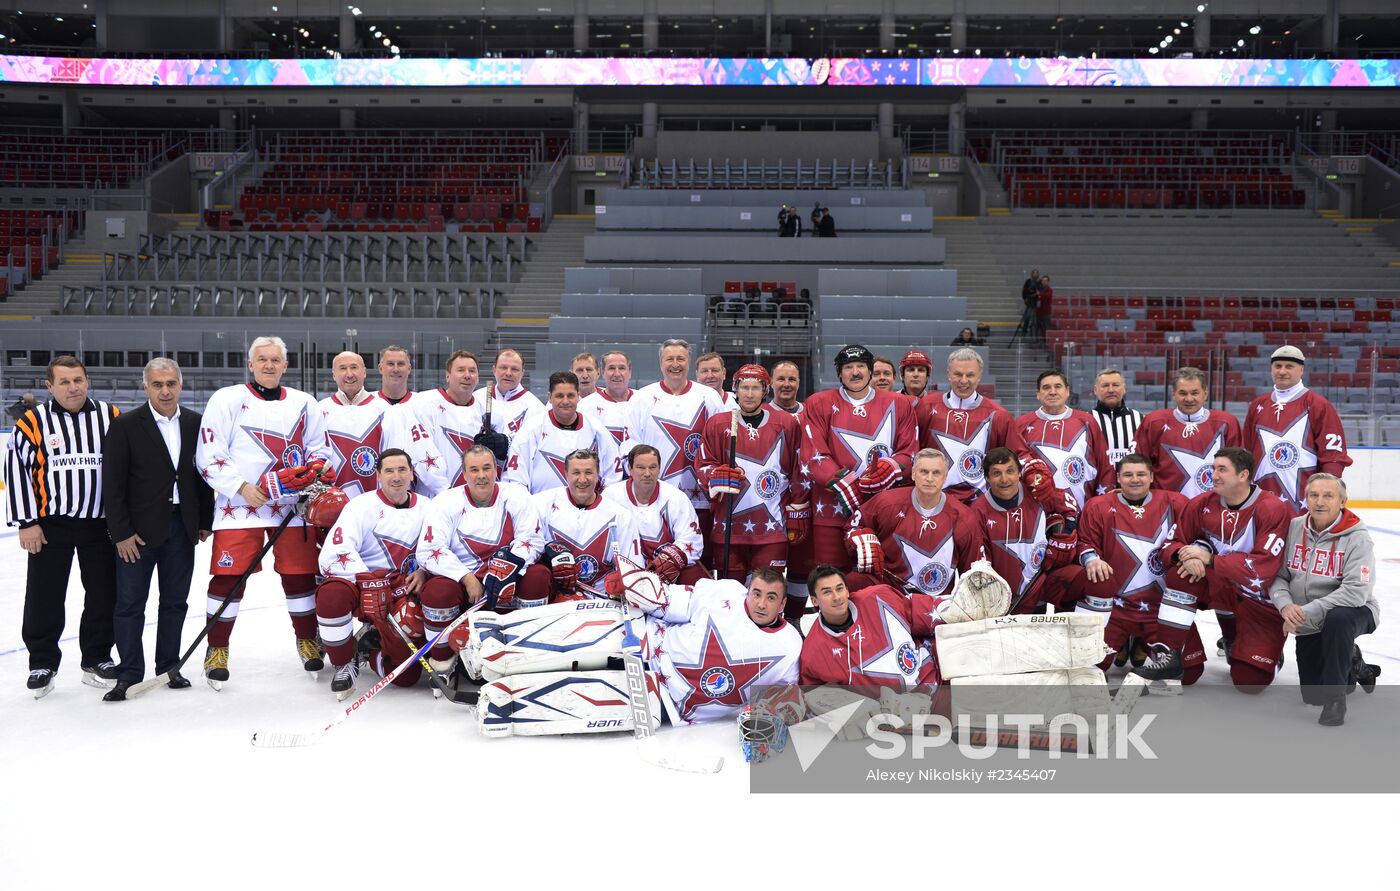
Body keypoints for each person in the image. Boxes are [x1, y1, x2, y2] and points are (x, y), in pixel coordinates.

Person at [196, 336, 332, 686]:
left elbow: (321, 450)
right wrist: (243, 487)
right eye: (262, 359)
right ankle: (217, 647)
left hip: (291, 507)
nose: (269, 365)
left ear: (285, 366)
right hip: (239, 507)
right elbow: (209, 452)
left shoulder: (304, 403)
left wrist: (312, 473)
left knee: (299, 576)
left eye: (276, 360)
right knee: (229, 579)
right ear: (250, 363)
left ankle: (307, 640)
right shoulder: (227, 399)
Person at [5, 356, 122, 697]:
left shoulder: (110, 417)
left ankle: (97, 657)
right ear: (49, 386)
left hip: (99, 524)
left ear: (87, 381)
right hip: (51, 525)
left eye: (78, 380)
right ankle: (42, 661)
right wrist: (27, 523)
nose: (73, 387)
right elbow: (17, 472)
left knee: (103, 593)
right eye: (65, 381)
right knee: (45, 595)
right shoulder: (32, 422)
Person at [1132, 447, 1295, 690]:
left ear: (1243, 475)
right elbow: (1169, 546)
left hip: (1258, 600)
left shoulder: (1272, 509)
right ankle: (1170, 655)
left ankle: (1251, 647)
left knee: (1250, 682)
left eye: (1222, 470)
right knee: (1180, 574)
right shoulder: (1202, 504)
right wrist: (1184, 556)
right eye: (1213, 468)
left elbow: (1261, 570)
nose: (1214, 475)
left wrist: (1208, 559)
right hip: (1220, 584)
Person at [101, 358, 214, 701]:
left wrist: (204, 521)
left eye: (171, 384)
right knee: (130, 604)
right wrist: (120, 532)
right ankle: (129, 673)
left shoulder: (196, 423)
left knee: (175, 602)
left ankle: (168, 666)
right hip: (137, 533)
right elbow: (113, 484)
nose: (165, 390)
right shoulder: (126, 426)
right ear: (145, 387)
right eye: (157, 384)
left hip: (182, 528)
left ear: (181, 385)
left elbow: (202, 475)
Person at [314, 448, 437, 700]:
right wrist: (369, 581)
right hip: (366, 591)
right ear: (379, 475)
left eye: (402, 470)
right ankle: (343, 662)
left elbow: (441, 548)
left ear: (412, 474)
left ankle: (370, 647)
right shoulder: (360, 506)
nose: (396, 477)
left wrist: (425, 571)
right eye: (389, 471)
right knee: (331, 594)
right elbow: (333, 554)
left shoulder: (428, 507)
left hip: (405, 594)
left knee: (406, 677)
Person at [797, 344, 919, 597]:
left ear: (870, 371)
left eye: (861, 366)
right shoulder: (818, 403)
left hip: (882, 511)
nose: (855, 372)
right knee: (831, 580)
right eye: (848, 367)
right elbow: (812, 454)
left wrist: (892, 467)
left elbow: (910, 452)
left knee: (880, 576)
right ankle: (834, 634)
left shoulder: (900, 404)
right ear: (839, 373)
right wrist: (844, 483)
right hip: (831, 509)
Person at [614, 563, 801, 724]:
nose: (761, 604)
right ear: (748, 592)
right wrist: (636, 587)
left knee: (597, 694)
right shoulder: (726, 592)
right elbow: (673, 601)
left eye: (771, 598)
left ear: (782, 604)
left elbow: (787, 697)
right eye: (756, 594)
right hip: (647, 640)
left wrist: (769, 716)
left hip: (670, 701)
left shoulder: (789, 648)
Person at [1074, 454, 1202, 680]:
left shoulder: (1176, 502)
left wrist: (1195, 554)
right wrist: (1092, 559)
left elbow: (1198, 532)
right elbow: (1085, 542)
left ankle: (1142, 644)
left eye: (1141, 474)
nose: (1135, 479)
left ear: (1152, 476)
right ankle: (1123, 641)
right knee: (1086, 670)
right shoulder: (1098, 506)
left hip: (1158, 610)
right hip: (1116, 609)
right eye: (1128, 475)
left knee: (1190, 673)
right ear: (1118, 479)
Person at [1269, 474, 1381, 726]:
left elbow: (1355, 592)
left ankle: (1335, 700)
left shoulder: (1357, 537)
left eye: (1328, 496)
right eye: (1314, 495)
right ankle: (1351, 659)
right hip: (1308, 615)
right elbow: (1278, 575)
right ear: (1306, 499)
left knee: (1338, 620)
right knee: (1312, 695)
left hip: (1354, 611)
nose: (1320, 501)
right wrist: (1286, 607)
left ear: (1342, 501)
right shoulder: (1295, 527)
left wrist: (1305, 612)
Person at [693, 365, 806, 592]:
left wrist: (798, 507)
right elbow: (703, 465)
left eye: (755, 388)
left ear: (765, 391)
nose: (749, 394)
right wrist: (715, 476)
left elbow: (798, 469)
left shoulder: (785, 424)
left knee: (768, 591)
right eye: (744, 387)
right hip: (729, 527)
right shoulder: (718, 424)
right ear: (735, 390)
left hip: (772, 527)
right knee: (730, 595)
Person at [418, 443, 548, 609]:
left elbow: (532, 539)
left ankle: (530, 630)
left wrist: (506, 571)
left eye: (487, 468)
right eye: (474, 470)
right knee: (439, 590)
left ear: (496, 470)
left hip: (509, 580)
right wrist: (466, 577)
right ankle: (446, 636)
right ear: (464, 474)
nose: (481, 475)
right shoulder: (444, 502)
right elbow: (429, 550)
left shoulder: (517, 495)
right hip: (465, 583)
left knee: (537, 576)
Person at [845, 449, 986, 594]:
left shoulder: (963, 516)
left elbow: (975, 571)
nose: (929, 478)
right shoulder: (885, 503)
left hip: (935, 603)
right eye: (924, 472)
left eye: (936, 473)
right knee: (853, 582)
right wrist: (861, 538)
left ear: (945, 478)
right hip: (888, 590)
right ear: (913, 474)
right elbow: (853, 525)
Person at [625, 339, 726, 537]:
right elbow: (631, 446)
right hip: (654, 498)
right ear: (660, 363)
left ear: (689, 362)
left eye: (681, 358)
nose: (675, 364)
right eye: (669, 359)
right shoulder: (641, 398)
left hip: (702, 498)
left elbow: (720, 445)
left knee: (699, 561)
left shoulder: (709, 397)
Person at [968, 447, 1081, 613]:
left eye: (1010, 471)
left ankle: (1080, 636)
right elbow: (981, 566)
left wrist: (1066, 533)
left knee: (1095, 582)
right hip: (1003, 602)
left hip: (1043, 587)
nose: (1004, 479)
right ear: (987, 478)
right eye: (996, 473)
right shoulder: (977, 512)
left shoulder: (1037, 492)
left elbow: (1070, 507)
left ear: (1020, 473)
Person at [1243, 345, 1351, 514]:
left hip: (1304, 503)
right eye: (1277, 366)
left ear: (1301, 369)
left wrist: (1328, 490)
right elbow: (1247, 450)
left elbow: (1333, 453)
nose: (1282, 371)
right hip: (1261, 500)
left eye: (1289, 366)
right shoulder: (1258, 405)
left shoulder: (1317, 404)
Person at [916, 347, 1025, 504]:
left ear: (979, 376)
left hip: (980, 504)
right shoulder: (926, 406)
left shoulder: (998, 415)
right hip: (933, 501)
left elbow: (1017, 456)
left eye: (970, 375)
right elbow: (912, 451)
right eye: (958, 374)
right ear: (948, 374)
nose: (964, 381)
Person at [533, 449, 642, 599]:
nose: (582, 479)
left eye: (589, 473)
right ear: (566, 474)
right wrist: (547, 554)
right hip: (556, 597)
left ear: (598, 475)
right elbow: (529, 548)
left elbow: (632, 569)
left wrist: (618, 589)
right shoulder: (541, 504)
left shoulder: (620, 516)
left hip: (603, 599)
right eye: (576, 473)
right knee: (535, 575)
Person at [605, 444, 708, 585]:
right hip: (626, 568)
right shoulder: (611, 496)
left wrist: (669, 560)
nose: (647, 473)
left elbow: (692, 540)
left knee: (695, 579)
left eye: (652, 467)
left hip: (667, 575)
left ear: (659, 469)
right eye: (641, 467)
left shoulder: (675, 498)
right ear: (629, 469)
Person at [504, 371, 621, 493]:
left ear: (578, 396)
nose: (565, 401)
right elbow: (516, 479)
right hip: (542, 509)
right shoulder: (531, 429)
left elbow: (612, 476)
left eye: (570, 395)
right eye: (559, 396)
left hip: (586, 510)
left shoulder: (597, 429)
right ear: (549, 397)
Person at [1015, 369, 1115, 511]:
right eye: (1046, 387)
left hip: (1084, 511)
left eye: (1058, 386)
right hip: (1037, 513)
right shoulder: (1021, 425)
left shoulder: (1087, 421)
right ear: (1037, 394)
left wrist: (1102, 504)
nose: (1053, 392)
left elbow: (1105, 466)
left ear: (1067, 391)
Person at [1135, 367, 1242, 500]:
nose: (1189, 399)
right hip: (1167, 507)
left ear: (1205, 393)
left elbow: (1237, 469)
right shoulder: (1154, 422)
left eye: (1195, 393)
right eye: (1183, 393)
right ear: (1173, 394)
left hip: (1214, 506)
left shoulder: (1226, 423)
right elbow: (1138, 464)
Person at [319, 350, 400, 498]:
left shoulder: (385, 409)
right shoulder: (320, 410)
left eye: (354, 367)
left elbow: (394, 457)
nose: (349, 374)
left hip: (375, 502)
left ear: (364, 372)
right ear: (333, 374)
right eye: (342, 368)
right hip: (329, 502)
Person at [406, 349, 486, 497]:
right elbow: (421, 452)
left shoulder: (484, 410)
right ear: (447, 376)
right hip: (435, 498)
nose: (467, 376)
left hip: (473, 499)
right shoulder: (424, 404)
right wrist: (444, 492)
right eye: (461, 370)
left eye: (472, 371)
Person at [474, 348, 546, 445]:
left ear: (522, 373)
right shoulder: (477, 398)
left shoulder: (535, 407)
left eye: (514, 369)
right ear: (494, 370)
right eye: (503, 367)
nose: (508, 373)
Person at [1088, 368, 1142, 470]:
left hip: (1131, 484)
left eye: (1116, 385)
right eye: (1105, 385)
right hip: (1098, 484)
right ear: (1095, 390)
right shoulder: (1086, 421)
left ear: (1124, 388)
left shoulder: (1140, 419)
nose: (1111, 390)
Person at [579, 349, 635, 449]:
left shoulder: (644, 401)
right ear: (602, 372)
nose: (617, 374)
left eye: (622, 368)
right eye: (611, 368)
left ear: (630, 372)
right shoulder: (585, 406)